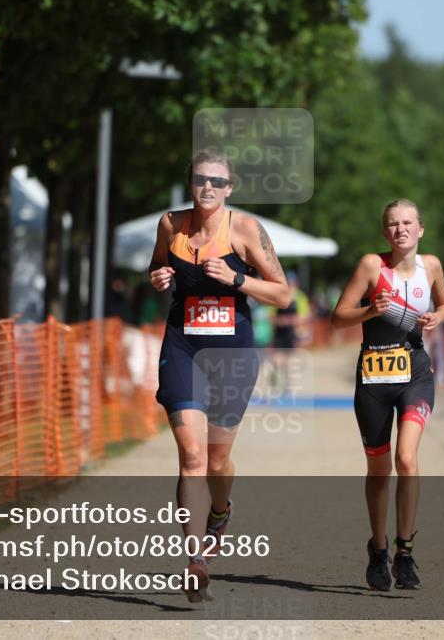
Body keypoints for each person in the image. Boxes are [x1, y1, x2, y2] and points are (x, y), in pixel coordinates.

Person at [148, 149, 291, 602]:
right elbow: (155, 267)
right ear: (189, 183)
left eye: (217, 181)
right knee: (191, 456)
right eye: (199, 179)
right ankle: (195, 560)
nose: (207, 187)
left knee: (215, 463)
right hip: (183, 345)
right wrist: (157, 278)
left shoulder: (246, 231)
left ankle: (221, 510)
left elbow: (283, 295)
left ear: (230, 189)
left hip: (231, 353)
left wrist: (237, 280)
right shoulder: (170, 225)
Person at [331, 198, 444, 592]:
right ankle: (378, 548)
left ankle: (405, 551)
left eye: (407, 223)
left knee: (407, 458)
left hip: (415, 374)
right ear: (385, 232)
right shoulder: (372, 266)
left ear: (420, 229)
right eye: (392, 224)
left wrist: (439, 316)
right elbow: (337, 317)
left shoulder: (430, 266)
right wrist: (369, 311)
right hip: (374, 380)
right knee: (380, 470)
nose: (400, 229)